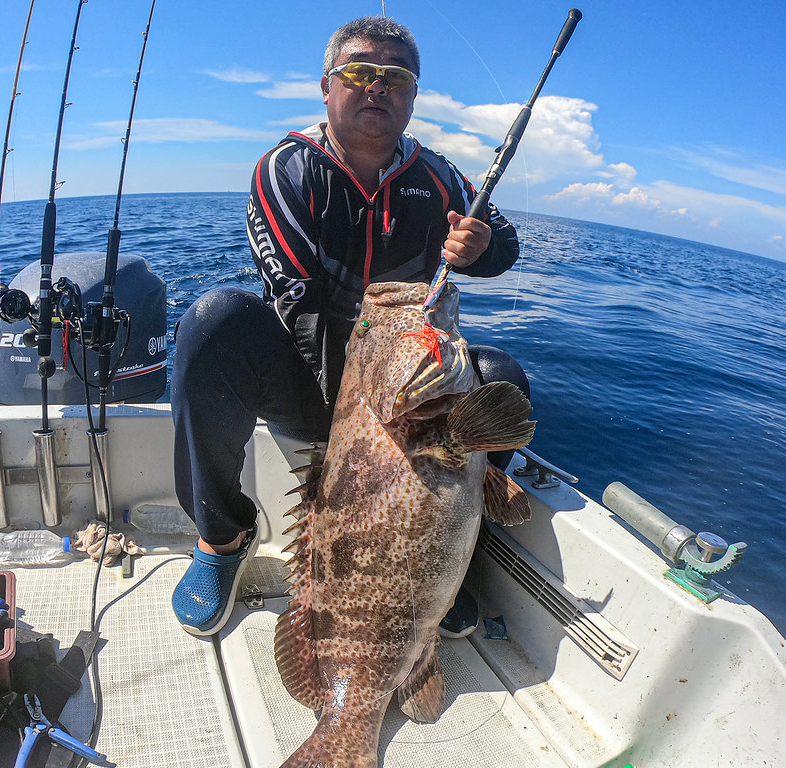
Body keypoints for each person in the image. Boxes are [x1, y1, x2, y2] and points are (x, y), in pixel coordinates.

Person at [170, 15, 529, 637]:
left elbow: (506, 246)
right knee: (214, 323)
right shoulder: (288, 167)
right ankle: (220, 539)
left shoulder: (441, 176)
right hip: (313, 381)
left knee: (501, 380)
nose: (376, 88)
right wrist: (358, 428)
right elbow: (302, 300)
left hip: (411, 388)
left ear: (413, 97)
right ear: (327, 86)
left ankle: (445, 560)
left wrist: (482, 245)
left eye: (395, 79)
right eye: (359, 72)